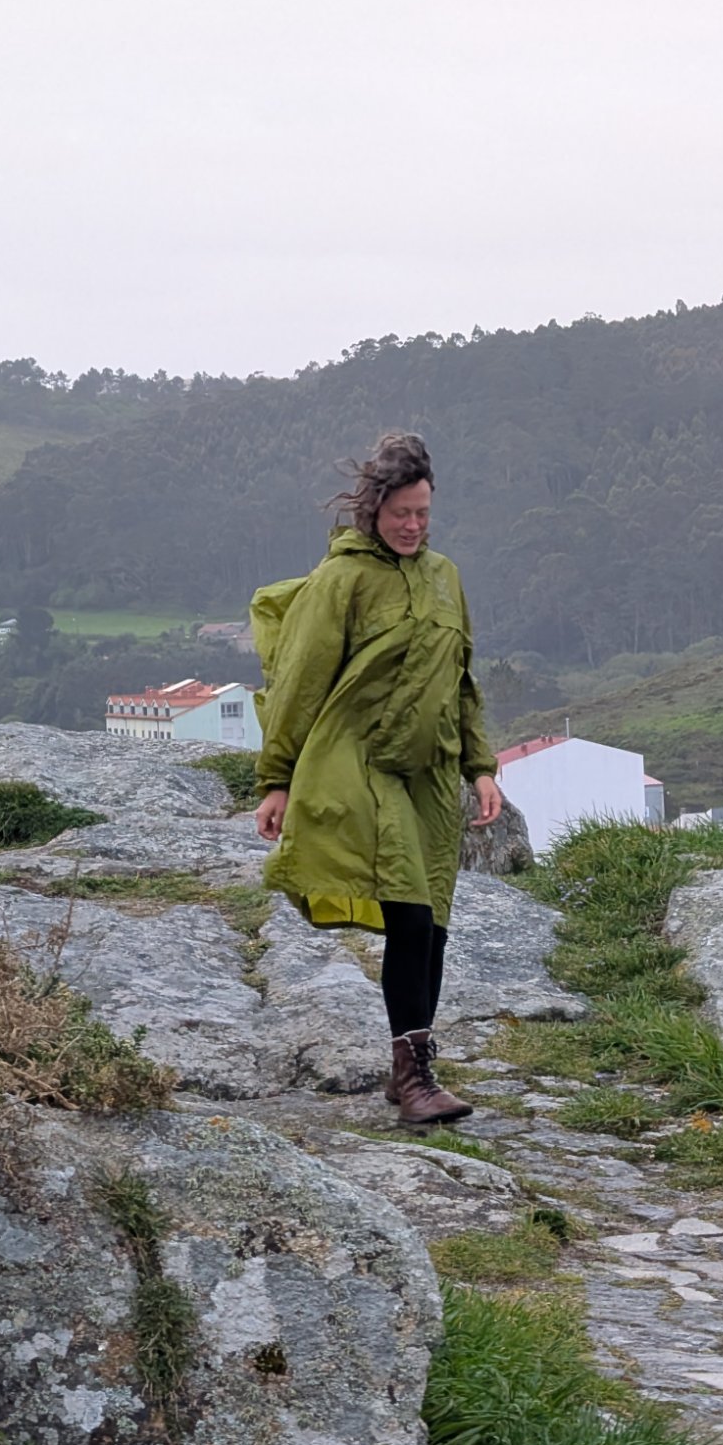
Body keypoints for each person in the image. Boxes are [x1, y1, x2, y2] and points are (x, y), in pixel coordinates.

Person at [250, 431, 504, 1125]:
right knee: (411, 915)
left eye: (423, 513)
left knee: (434, 923)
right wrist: (278, 778)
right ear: (373, 508)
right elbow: (300, 681)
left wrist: (480, 766)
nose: (413, 525)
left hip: (430, 774)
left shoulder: (445, 577)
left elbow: (461, 681)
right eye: (401, 513)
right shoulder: (344, 580)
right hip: (358, 763)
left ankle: (409, 1070)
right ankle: (415, 1076)